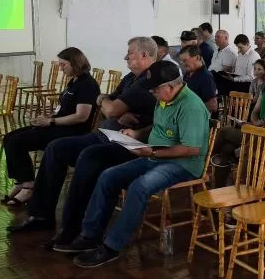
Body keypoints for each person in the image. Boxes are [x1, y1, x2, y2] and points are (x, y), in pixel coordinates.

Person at [61, 61, 211, 268]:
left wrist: (152, 151)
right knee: (108, 176)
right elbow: (158, 127)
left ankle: (112, 246)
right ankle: (90, 235)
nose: (153, 93)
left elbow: (192, 149)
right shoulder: (165, 98)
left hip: (182, 164)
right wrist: (137, 134)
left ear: (172, 85)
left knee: (139, 187)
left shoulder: (191, 106)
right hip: (157, 156)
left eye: (156, 89)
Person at [7, 37, 159, 240]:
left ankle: (74, 229)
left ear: (144, 55)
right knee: (55, 147)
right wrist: (111, 106)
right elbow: (105, 101)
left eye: (129, 53)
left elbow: (109, 107)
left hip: (127, 143)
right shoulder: (130, 78)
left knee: (87, 158)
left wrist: (111, 107)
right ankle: (41, 214)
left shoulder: (148, 80)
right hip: (106, 134)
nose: (125, 57)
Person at [1, 48, 101, 206]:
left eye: (63, 65)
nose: (60, 68)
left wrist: (51, 122)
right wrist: (48, 118)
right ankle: (21, 181)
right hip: (57, 126)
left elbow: (81, 116)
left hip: (71, 131)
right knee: (9, 138)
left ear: (75, 63)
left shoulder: (86, 84)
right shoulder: (73, 80)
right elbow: (64, 109)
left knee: (17, 142)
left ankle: (29, 186)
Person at [212, 50, 265, 166]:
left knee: (224, 132)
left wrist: (259, 125)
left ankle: (204, 164)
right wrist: (254, 122)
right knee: (227, 147)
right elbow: (256, 110)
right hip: (256, 127)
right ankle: (222, 176)